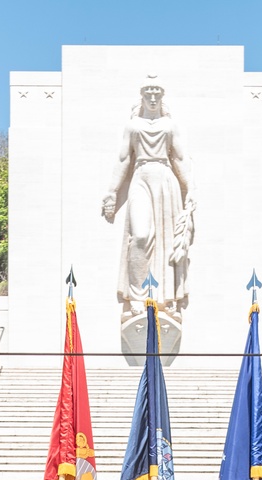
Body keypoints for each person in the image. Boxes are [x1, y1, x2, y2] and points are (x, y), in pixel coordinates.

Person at [102, 81, 194, 319]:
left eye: (157, 93)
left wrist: (190, 188)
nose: (153, 98)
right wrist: (112, 192)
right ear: (142, 96)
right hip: (140, 177)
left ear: (162, 97)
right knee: (140, 236)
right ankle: (137, 296)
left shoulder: (170, 125)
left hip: (165, 179)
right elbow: (123, 159)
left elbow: (181, 159)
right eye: (148, 93)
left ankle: (167, 298)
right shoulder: (132, 126)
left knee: (166, 240)